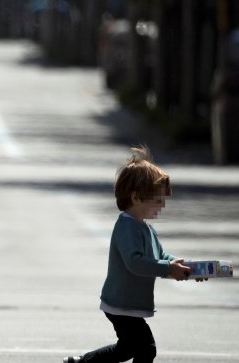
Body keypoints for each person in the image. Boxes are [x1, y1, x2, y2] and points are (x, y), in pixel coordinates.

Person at [64, 147, 198, 363]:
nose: (162, 206)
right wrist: (167, 268)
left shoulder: (144, 227)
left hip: (127, 304)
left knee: (127, 349)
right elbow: (135, 263)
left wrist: (186, 267)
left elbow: (160, 256)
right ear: (136, 197)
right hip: (121, 304)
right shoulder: (127, 227)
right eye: (157, 200)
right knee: (146, 349)